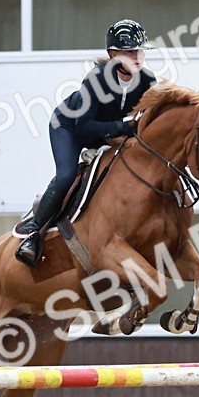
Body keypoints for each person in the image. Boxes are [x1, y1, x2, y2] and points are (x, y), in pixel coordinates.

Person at [15, 19, 158, 267]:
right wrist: (123, 127)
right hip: (69, 128)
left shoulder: (147, 80)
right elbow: (84, 127)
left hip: (105, 133)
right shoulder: (97, 79)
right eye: (130, 52)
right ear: (113, 55)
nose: (137, 57)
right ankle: (34, 233)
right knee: (67, 175)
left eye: (140, 51)